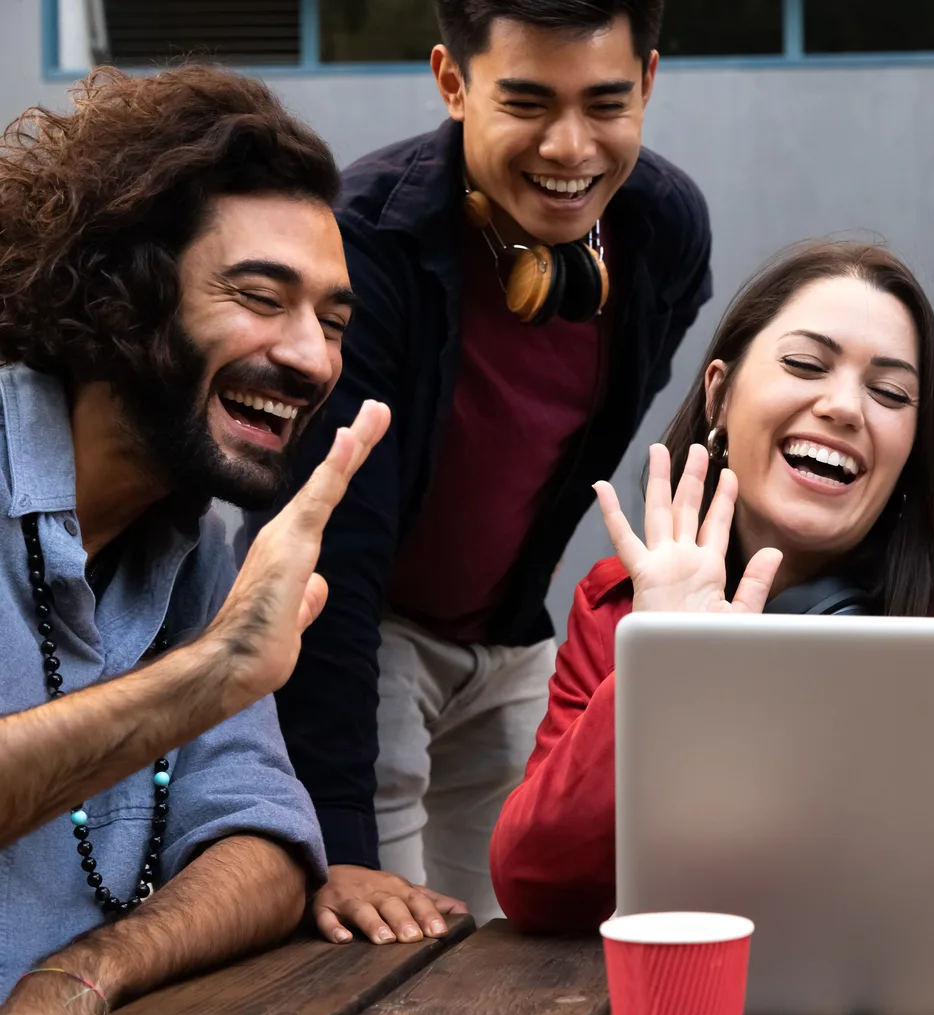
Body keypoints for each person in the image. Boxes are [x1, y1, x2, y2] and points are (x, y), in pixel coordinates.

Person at [255, 0, 713, 941]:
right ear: (453, 84)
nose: (570, 146)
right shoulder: (362, 248)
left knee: (530, 936)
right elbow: (335, 538)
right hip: (359, 633)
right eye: (529, 103)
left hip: (510, 638)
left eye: (605, 104)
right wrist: (337, 841)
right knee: (376, 945)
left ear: (650, 85)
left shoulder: (665, 230)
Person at [0, 67, 391, 1015]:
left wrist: (83, 975)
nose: (311, 358)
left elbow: (263, 848)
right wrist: (213, 674)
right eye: (261, 297)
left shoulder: (199, 550)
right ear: (121, 295)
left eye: (334, 320)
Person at [489, 242, 934, 929]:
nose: (846, 407)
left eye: (890, 393)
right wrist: (665, 664)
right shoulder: (624, 610)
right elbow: (536, 886)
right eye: (806, 365)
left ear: (913, 447)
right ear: (719, 395)